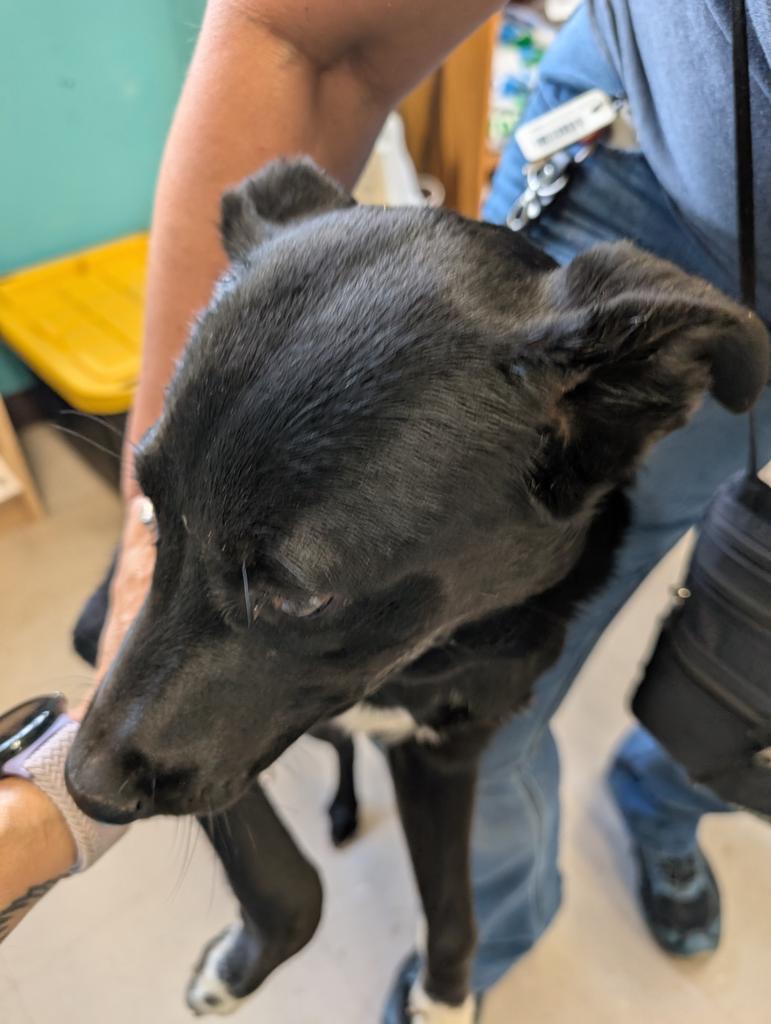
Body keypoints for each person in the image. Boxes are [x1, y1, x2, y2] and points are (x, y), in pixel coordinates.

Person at [1, 1, 769, 1019]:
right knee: (498, 729)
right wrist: (152, 534)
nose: (101, 762)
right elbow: (296, 36)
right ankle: (447, 950)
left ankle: (655, 816)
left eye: (278, 585)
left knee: (731, 684)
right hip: (650, 155)